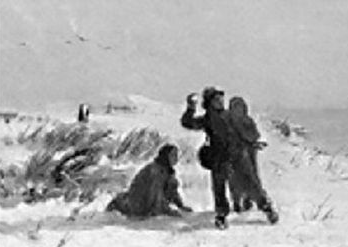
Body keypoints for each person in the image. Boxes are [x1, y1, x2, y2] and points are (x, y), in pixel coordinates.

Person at [180, 88, 278, 229]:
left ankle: (267, 209)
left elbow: (242, 133)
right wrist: (190, 108)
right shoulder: (207, 119)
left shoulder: (230, 116)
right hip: (219, 157)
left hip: (238, 155)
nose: (220, 102)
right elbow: (188, 123)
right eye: (216, 100)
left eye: (221, 99)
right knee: (219, 188)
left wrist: (252, 143)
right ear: (209, 103)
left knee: (251, 183)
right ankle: (221, 216)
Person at [106, 143, 192, 217]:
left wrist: (180, 206)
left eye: (176, 155)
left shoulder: (168, 172)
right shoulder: (155, 171)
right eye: (173, 155)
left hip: (144, 205)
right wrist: (169, 212)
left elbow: (172, 191)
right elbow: (156, 196)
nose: (176, 158)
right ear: (166, 156)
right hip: (133, 206)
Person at [227, 96, 269, 213]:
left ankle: (250, 199)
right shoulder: (228, 122)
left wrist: (248, 138)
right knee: (234, 179)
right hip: (233, 155)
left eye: (240, 107)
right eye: (235, 108)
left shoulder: (248, 121)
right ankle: (236, 201)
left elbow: (254, 135)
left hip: (249, 154)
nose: (238, 110)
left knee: (252, 177)